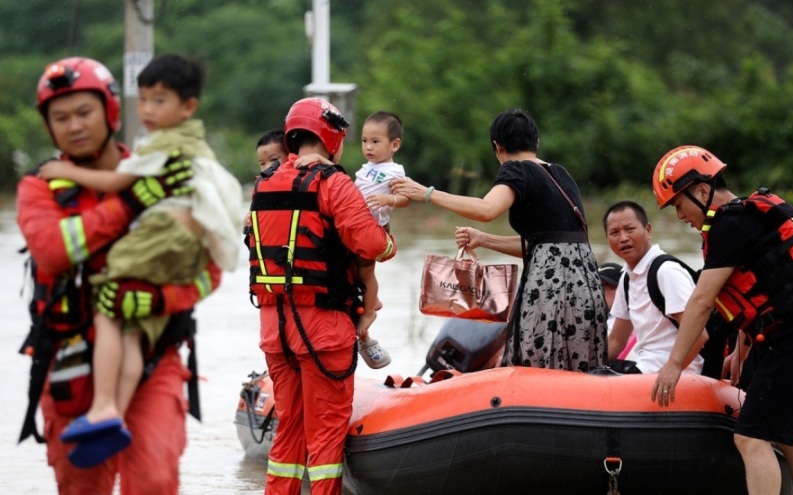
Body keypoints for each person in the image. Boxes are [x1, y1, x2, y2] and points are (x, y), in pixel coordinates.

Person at [17, 56, 221, 493]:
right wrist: (129, 204)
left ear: (109, 111)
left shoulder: (161, 167)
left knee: (153, 479)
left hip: (153, 354)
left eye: (84, 113)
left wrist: (159, 301)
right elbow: (53, 251)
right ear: (48, 125)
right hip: (71, 364)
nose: (74, 126)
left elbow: (210, 270)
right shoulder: (40, 187)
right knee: (82, 486)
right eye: (60, 117)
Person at [247, 97, 397, 494]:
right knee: (326, 433)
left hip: (275, 329)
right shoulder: (334, 183)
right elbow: (370, 244)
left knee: (288, 431)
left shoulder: (264, 183)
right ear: (332, 137)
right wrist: (389, 244)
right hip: (324, 329)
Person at [391, 108, 607, 372]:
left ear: (498, 146)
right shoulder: (560, 174)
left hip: (550, 285)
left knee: (536, 365)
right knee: (579, 367)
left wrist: (426, 193)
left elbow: (486, 209)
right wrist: (484, 239)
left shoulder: (516, 170)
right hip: (584, 280)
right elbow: (545, 246)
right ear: (535, 142)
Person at [650, 145, 793, 495]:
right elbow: (766, 290)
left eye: (677, 204)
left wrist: (674, 365)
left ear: (702, 190)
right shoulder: (749, 217)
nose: (679, 217)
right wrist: (742, 350)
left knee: (750, 437)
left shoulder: (729, 225)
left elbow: (702, 301)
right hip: (787, 334)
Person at [603, 200, 706, 374]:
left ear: (648, 230)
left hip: (677, 374)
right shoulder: (627, 278)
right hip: (645, 367)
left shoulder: (666, 272)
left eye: (630, 229)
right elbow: (616, 341)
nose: (623, 238)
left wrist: (671, 371)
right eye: (614, 232)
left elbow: (699, 336)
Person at [349, 111, 411, 369]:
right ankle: (370, 300)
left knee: (365, 271)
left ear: (394, 144)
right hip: (356, 226)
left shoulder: (395, 171)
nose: (368, 147)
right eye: (364, 141)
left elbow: (407, 198)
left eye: (375, 141)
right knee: (352, 271)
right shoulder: (366, 169)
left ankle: (371, 309)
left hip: (374, 228)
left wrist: (389, 200)